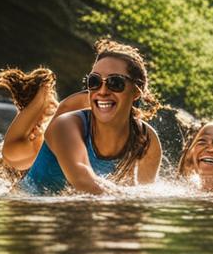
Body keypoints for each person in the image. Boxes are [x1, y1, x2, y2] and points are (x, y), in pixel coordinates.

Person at [15, 39, 162, 195]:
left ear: (136, 92)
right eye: (95, 81)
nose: (103, 91)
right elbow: (83, 180)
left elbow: (144, 196)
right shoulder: (65, 125)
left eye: (115, 82)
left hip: (74, 214)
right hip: (25, 211)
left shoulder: (146, 140)